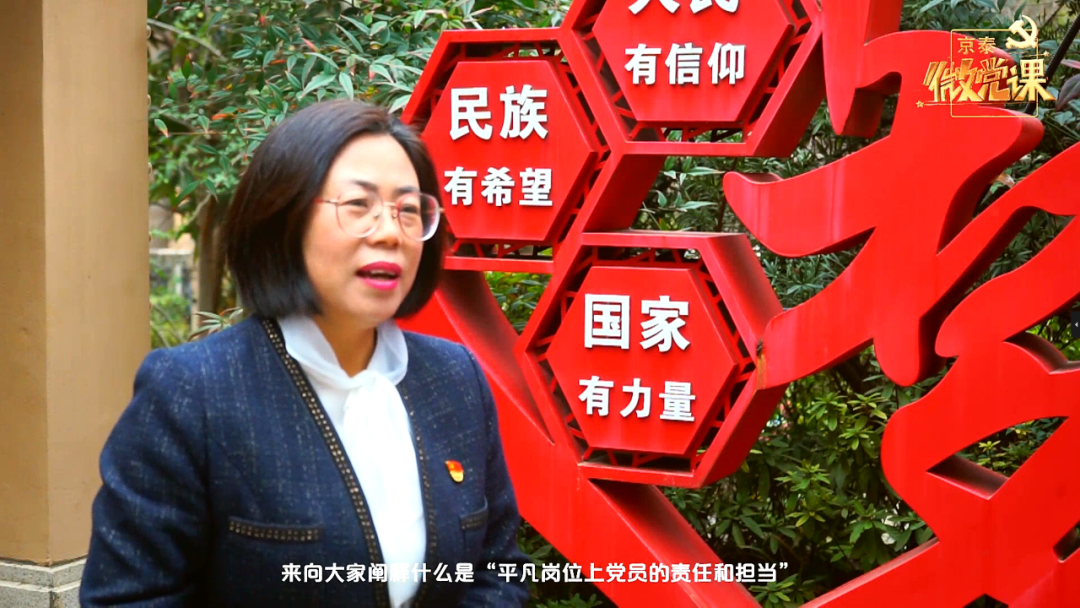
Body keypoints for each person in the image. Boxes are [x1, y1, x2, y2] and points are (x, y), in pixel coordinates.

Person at [81, 99, 530, 607]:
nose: (390, 232)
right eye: (358, 204)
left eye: (408, 210)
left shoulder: (454, 378)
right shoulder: (192, 393)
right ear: (284, 218)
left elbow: (497, 571)